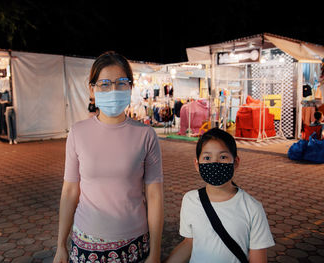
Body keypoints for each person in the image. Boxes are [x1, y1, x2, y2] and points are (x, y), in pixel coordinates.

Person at [54, 51, 164, 263]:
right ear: (92, 89)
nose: (113, 90)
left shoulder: (146, 135)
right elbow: (69, 191)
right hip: (86, 243)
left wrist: (156, 252)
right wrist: (60, 245)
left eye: (121, 83)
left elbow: (155, 196)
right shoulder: (78, 132)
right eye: (104, 84)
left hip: (134, 243)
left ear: (130, 87)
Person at [165, 128, 274, 263]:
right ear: (197, 164)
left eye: (223, 157)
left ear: (236, 162)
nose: (214, 163)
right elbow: (189, 243)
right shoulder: (190, 200)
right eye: (207, 158)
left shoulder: (252, 208)